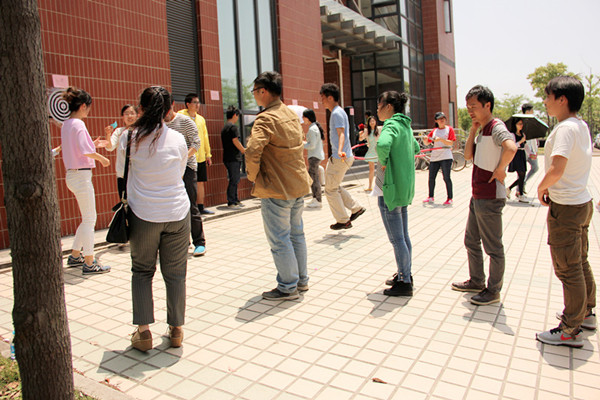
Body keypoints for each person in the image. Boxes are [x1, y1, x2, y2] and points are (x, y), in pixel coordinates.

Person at [116, 86, 190, 352]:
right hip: (178, 212)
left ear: (141, 108)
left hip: (143, 214)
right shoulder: (178, 139)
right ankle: (176, 329)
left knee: (142, 271)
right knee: (176, 273)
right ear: (169, 110)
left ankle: (144, 332)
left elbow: (121, 174)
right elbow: (179, 173)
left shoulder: (129, 138)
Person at [535, 76, 597, 347]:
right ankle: (586, 313)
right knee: (580, 261)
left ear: (562, 99)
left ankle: (570, 329)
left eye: (548, 96)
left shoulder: (564, 129)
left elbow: (556, 168)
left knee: (568, 268)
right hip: (582, 202)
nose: (545, 101)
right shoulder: (581, 126)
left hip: (567, 208)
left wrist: (541, 187)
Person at [245, 71, 311, 300]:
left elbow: (252, 151)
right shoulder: (291, 115)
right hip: (298, 184)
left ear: (263, 91)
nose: (254, 95)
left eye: (254, 91)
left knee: (280, 239)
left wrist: (252, 176)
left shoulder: (266, 118)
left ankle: (287, 287)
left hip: (277, 188)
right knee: (296, 235)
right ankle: (301, 281)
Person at [451, 85, 517, 305]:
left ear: (487, 105)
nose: (470, 111)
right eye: (468, 107)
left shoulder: (496, 127)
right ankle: (477, 281)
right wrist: (472, 130)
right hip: (478, 195)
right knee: (471, 240)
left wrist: (501, 169)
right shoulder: (482, 129)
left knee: (493, 248)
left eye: (473, 106)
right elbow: (468, 155)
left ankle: (493, 290)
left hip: (490, 196)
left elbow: (511, 148)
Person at [61, 87, 111, 275]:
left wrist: (93, 145)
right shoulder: (79, 124)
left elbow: (79, 147)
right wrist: (102, 158)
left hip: (71, 175)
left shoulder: (67, 124)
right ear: (83, 106)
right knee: (90, 219)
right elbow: (85, 150)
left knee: (86, 218)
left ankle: (76, 255)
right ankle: (89, 262)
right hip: (81, 176)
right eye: (88, 107)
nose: (89, 110)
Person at [376, 91, 420, 297]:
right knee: (403, 236)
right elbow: (416, 147)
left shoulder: (391, 125)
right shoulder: (406, 126)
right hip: (404, 188)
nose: (377, 110)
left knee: (397, 239)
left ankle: (404, 281)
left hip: (391, 189)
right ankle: (405, 273)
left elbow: (383, 144)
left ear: (388, 107)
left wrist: (384, 162)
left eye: (379, 106)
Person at [319, 83, 366, 230]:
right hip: (343, 156)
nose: (321, 101)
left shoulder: (336, 113)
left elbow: (341, 134)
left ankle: (343, 220)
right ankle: (356, 208)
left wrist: (339, 150)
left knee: (330, 190)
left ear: (330, 97)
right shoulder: (339, 112)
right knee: (335, 186)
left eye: (323, 98)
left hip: (340, 157)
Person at [165, 102, 206, 257]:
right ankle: (183, 242)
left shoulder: (185, 121)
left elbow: (196, 143)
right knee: (173, 207)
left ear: (172, 105)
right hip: (170, 169)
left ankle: (199, 242)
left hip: (187, 167)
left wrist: (182, 159)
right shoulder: (160, 124)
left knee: (190, 204)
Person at [178, 94, 214, 215]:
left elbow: (205, 137)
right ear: (188, 104)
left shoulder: (201, 119)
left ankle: (200, 207)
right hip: (187, 157)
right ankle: (187, 208)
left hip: (200, 157)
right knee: (186, 182)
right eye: (195, 102)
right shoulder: (180, 116)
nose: (197, 105)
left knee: (200, 182)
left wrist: (208, 154)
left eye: (198, 102)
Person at [423, 112, 455, 205]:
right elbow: (427, 143)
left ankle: (450, 198)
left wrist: (441, 139)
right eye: (440, 119)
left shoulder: (449, 129)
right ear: (436, 121)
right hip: (435, 157)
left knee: (446, 177)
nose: (442, 120)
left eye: (443, 118)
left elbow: (451, 143)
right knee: (431, 178)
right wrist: (425, 140)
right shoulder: (434, 131)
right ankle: (430, 197)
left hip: (446, 156)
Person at [221, 105, 245, 209]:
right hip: (234, 157)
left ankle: (235, 199)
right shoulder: (233, 127)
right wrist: (243, 150)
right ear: (235, 115)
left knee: (234, 179)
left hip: (227, 157)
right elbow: (235, 140)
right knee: (234, 179)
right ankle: (231, 201)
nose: (237, 118)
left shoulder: (224, 128)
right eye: (238, 116)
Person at [302, 109, 325, 208]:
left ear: (308, 118)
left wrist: (301, 144)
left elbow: (312, 145)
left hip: (314, 156)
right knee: (313, 177)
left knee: (314, 179)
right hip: (316, 155)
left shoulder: (312, 129)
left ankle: (318, 200)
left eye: (303, 117)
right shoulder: (314, 127)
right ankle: (315, 198)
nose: (303, 119)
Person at [506, 118, 529, 202]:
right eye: (519, 124)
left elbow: (525, 145)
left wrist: (530, 153)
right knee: (521, 174)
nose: (521, 126)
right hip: (516, 154)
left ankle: (509, 189)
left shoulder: (523, 134)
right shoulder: (512, 135)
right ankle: (520, 194)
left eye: (522, 124)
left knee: (522, 175)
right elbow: (512, 145)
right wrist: (521, 141)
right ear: (515, 125)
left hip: (522, 154)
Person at [360, 116, 381, 192]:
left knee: (380, 169)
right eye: (370, 121)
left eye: (373, 121)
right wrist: (360, 135)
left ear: (375, 122)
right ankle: (370, 186)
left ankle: (380, 185)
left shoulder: (379, 129)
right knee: (371, 169)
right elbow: (361, 139)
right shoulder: (367, 131)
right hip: (371, 151)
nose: (372, 122)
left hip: (379, 151)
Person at [522, 103, 539, 191]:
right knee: (522, 171)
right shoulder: (521, 123)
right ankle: (519, 189)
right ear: (527, 111)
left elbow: (534, 139)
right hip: (524, 150)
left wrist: (535, 151)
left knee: (535, 168)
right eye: (532, 110)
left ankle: (523, 183)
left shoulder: (533, 122)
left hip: (532, 150)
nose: (533, 112)